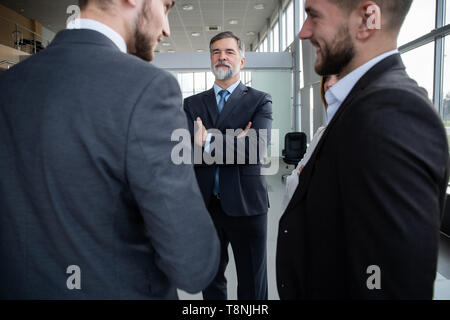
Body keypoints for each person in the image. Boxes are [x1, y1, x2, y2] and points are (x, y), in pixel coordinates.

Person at [0, 0, 220, 299]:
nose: (166, 29)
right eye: (165, 6)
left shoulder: (10, 85)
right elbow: (193, 265)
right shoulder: (149, 88)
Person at [276, 0, 450, 299]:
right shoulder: (360, 107)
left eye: (313, 16)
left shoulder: (392, 112)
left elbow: (390, 285)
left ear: (368, 18)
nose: (304, 32)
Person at [183, 31, 273, 300]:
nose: (222, 57)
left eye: (229, 52)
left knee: (252, 283)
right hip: (205, 206)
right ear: (210, 60)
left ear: (242, 61)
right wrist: (236, 141)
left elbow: (256, 148)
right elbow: (184, 150)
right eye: (216, 52)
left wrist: (207, 140)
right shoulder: (192, 103)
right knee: (210, 281)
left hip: (247, 206)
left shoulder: (259, 99)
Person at [282, 74, 338, 212]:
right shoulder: (321, 133)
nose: (329, 84)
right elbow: (297, 177)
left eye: (339, 76)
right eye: (326, 79)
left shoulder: (368, 136)